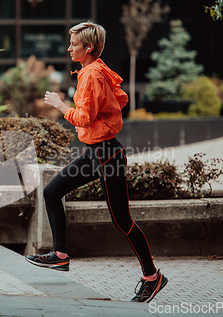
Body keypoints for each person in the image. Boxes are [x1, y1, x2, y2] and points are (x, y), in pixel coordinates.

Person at [24, 21, 168, 303]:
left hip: (107, 155)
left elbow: (84, 118)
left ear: (88, 48)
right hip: (95, 153)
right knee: (52, 192)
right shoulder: (96, 69)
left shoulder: (91, 75)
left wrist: (60, 104)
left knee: (122, 221)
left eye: (74, 44)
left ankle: (152, 277)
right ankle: (60, 255)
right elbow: (119, 99)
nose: (69, 48)